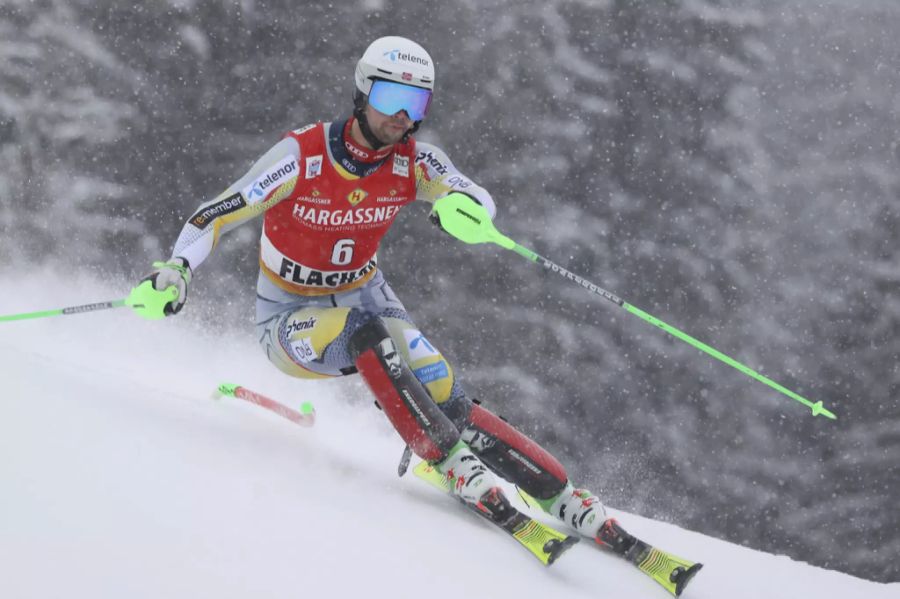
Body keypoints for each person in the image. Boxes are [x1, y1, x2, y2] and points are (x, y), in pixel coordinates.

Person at [130, 36, 700, 595]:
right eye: (389, 99)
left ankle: (562, 495)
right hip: (290, 320)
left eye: (417, 104)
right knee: (366, 335)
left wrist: (463, 209)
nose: (402, 117)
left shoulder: (414, 162)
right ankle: (447, 459)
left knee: (448, 393)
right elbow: (216, 214)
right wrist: (177, 269)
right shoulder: (301, 156)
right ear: (361, 92)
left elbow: (474, 196)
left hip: (368, 294)